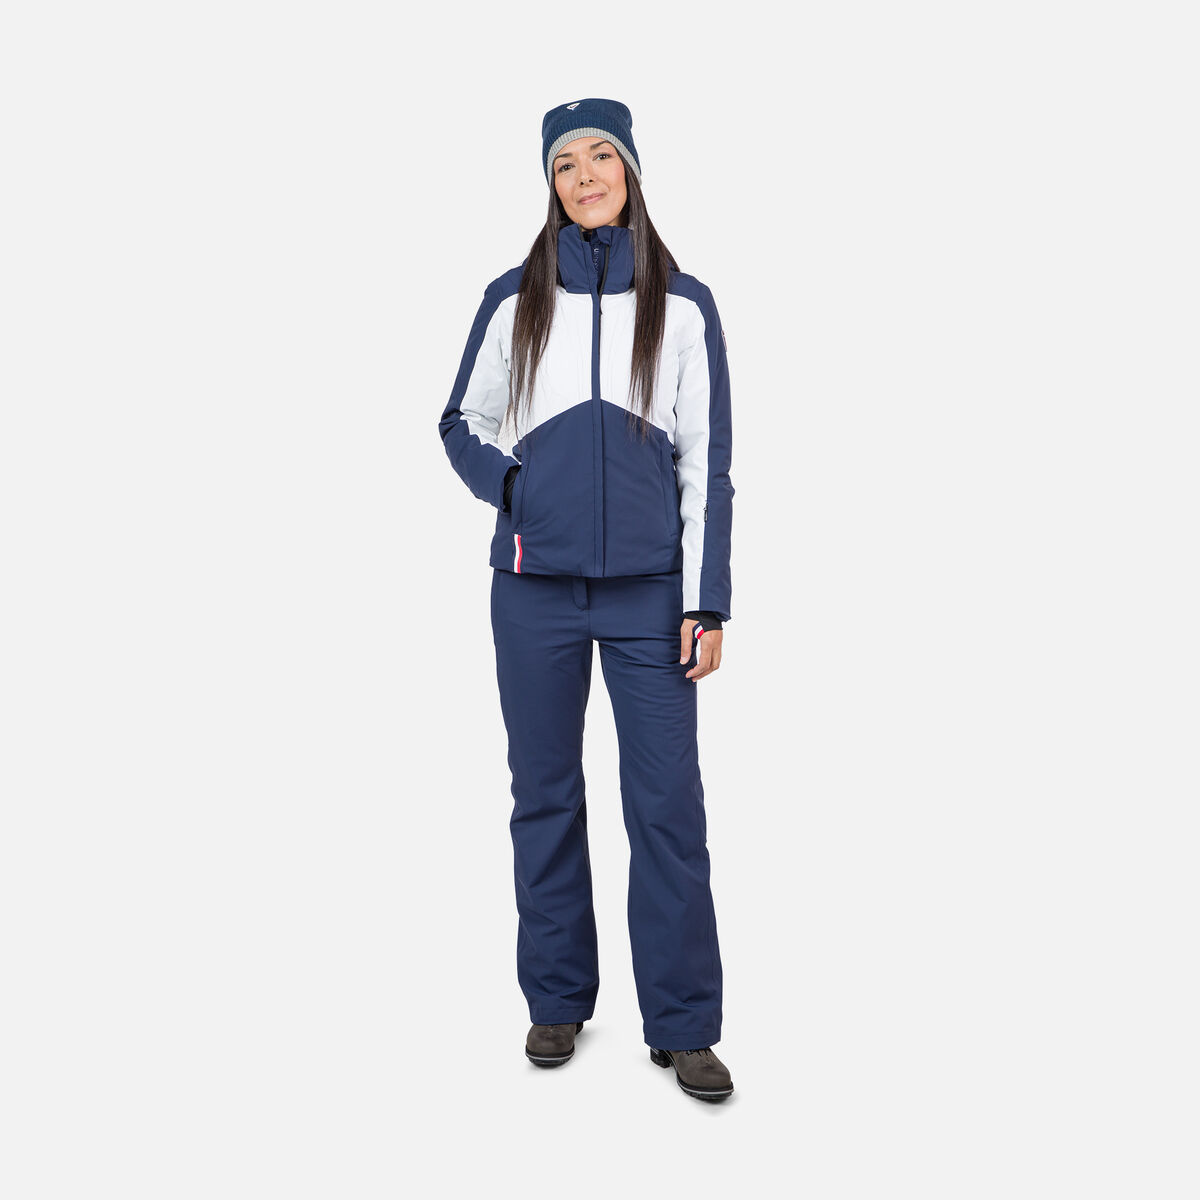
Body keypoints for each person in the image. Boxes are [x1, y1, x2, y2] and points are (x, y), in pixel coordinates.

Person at [437, 98, 736, 1103]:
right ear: (552, 186)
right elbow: (461, 420)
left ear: (632, 173)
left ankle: (683, 1026)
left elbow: (707, 461)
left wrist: (706, 603)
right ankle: (557, 1000)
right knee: (546, 797)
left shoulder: (683, 304)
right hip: (534, 592)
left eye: (603, 156)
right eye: (567, 164)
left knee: (667, 808)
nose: (586, 175)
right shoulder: (512, 298)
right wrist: (515, 489)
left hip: (651, 597)